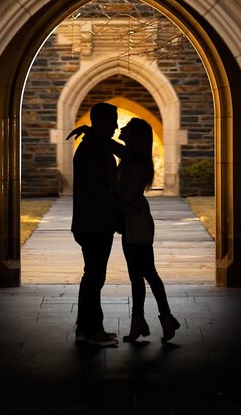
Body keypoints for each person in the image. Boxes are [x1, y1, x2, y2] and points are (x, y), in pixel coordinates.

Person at [116, 117, 180, 344]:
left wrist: (109, 187)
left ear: (135, 136)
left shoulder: (137, 164)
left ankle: (164, 318)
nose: (120, 129)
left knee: (147, 273)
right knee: (136, 275)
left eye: (126, 129)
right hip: (130, 222)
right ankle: (141, 321)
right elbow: (109, 144)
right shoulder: (130, 157)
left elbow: (128, 196)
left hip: (138, 224)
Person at [70, 102, 121, 346]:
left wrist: (93, 132)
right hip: (95, 222)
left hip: (92, 222)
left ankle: (88, 328)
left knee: (93, 276)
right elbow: (106, 185)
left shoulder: (93, 144)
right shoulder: (93, 148)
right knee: (94, 277)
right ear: (101, 121)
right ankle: (91, 332)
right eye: (112, 121)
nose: (116, 126)